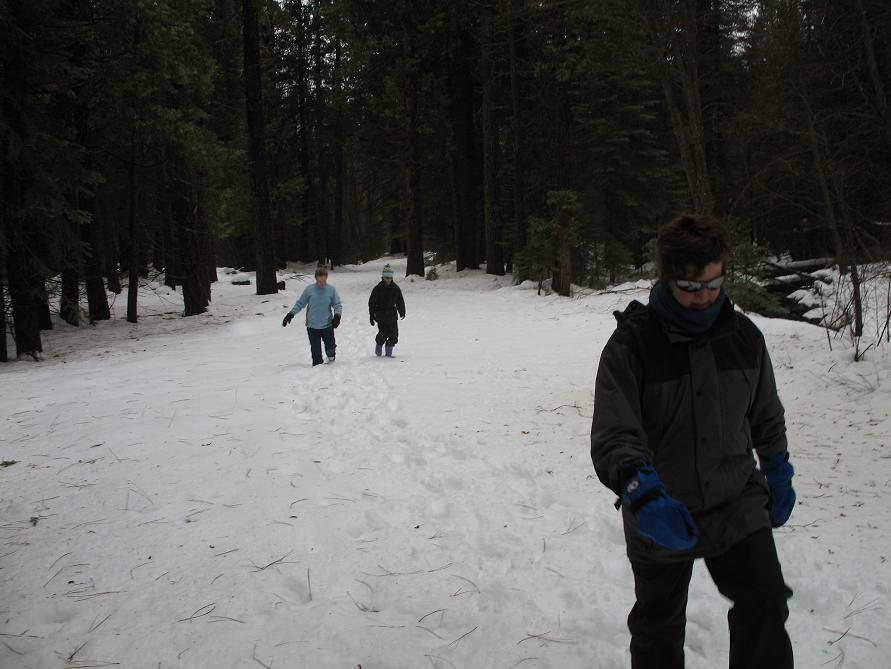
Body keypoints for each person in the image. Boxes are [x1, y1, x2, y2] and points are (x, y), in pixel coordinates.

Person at [590, 213, 796, 669]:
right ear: (666, 277)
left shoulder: (744, 337)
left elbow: (766, 414)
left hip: (735, 500)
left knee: (765, 601)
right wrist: (643, 494)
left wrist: (778, 468)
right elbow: (615, 434)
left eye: (714, 284)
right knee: (658, 624)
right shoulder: (632, 345)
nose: (704, 297)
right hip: (662, 502)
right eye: (690, 287)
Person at [282, 265, 343, 366]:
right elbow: (300, 303)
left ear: (326, 278)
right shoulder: (309, 290)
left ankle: (331, 360)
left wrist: (337, 316)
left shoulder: (331, 290)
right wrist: (291, 314)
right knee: (315, 351)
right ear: (315, 279)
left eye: (323, 281)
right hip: (312, 326)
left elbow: (337, 304)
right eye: (319, 281)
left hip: (327, 325)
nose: (321, 284)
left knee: (330, 346)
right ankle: (317, 368)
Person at [368, 263, 406, 357]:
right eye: (386, 278)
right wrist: (372, 315)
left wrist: (402, 312)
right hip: (381, 315)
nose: (388, 280)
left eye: (390, 278)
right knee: (383, 334)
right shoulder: (377, 289)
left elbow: (400, 301)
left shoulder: (395, 288)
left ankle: (388, 354)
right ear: (383, 277)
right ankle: (378, 347)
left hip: (392, 315)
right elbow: (372, 303)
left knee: (394, 335)